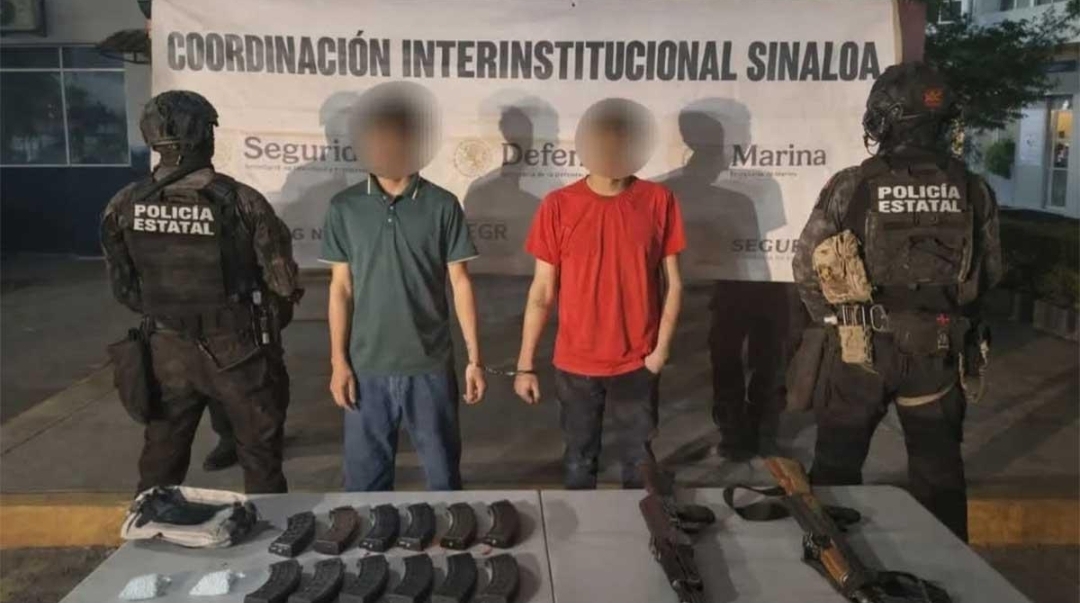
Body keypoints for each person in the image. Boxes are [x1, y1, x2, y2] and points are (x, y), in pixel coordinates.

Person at [792, 62, 1001, 540]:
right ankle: (948, 572)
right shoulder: (973, 187)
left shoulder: (853, 184)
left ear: (883, 118)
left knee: (836, 471)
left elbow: (806, 266)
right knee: (938, 476)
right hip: (938, 351)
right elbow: (989, 272)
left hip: (861, 353)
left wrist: (838, 322)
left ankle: (829, 563)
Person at [101, 90, 302, 493]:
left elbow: (124, 289)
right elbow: (282, 284)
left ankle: (149, 525)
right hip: (239, 348)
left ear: (152, 139)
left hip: (166, 349)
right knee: (260, 457)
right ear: (206, 137)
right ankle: (267, 533)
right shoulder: (242, 201)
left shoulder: (124, 205)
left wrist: (172, 312)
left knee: (161, 459)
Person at [513, 98, 686, 489]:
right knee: (578, 459)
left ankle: (643, 525)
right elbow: (541, 291)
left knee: (639, 464)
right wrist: (525, 364)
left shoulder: (658, 201)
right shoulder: (558, 206)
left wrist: (659, 351)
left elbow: (674, 283)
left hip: (637, 361)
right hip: (575, 364)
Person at [322, 87, 486, 492]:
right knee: (365, 488)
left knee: (444, 480)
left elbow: (460, 282)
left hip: (430, 366)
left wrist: (475, 359)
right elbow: (341, 288)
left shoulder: (442, 205)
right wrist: (339, 363)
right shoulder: (344, 207)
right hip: (367, 367)